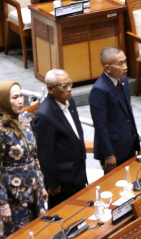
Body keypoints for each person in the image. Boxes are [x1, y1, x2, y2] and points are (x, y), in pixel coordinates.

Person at [0, 81, 47, 239]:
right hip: (14, 196)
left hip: (35, 188)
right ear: (3, 101)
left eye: (21, 95)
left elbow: (33, 157)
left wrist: (41, 183)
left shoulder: (26, 119)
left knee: (41, 232)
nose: (20, 101)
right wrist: (3, 204)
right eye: (15, 97)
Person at [34, 69, 87, 209]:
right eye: (64, 86)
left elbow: (76, 133)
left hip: (78, 171)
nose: (69, 89)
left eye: (70, 84)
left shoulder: (70, 102)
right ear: (50, 89)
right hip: (62, 181)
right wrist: (53, 183)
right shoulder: (44, 115)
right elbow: (45, 153)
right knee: (64, 214)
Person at [88, 47, 140, 173]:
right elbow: (100, 126)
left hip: (129, 143)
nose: (125, 67)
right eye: (120, 63)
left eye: (125, 61)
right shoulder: (99, 90)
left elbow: (128, 113)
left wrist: (135, 142)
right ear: (108, 68)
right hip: (114, 151)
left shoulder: (123, 80)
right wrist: (109, 154)